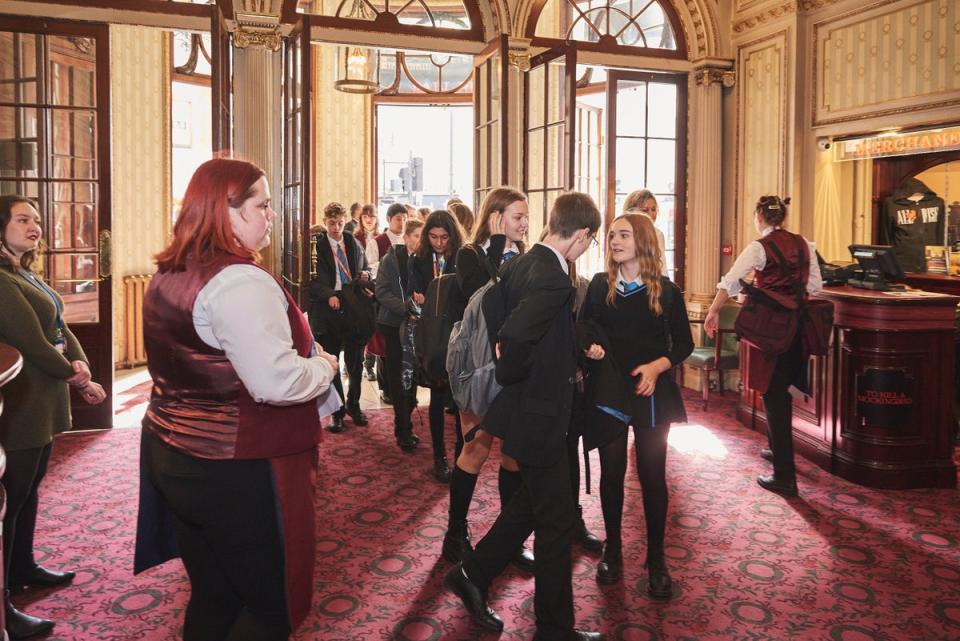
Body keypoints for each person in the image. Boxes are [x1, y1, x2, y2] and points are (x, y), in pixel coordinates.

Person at [135, 158, 339, 641]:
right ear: (225, 212)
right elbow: (275, 382)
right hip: (238, 465)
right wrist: (324, 367)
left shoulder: (170, 273)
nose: (272, 215)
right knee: (271, 606)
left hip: (174, 452)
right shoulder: (240, 281)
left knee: (215, 592)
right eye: (262, 206)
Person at [445, 192, 603, 641]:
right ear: (583, 235)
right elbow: (513, 334)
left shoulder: (521, 262)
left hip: (523, 409)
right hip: (541, 413)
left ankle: (473, 573)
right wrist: (515, 368)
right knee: (553, 521)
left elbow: (502, 319)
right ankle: (554, 628)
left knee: (534, 507)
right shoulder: (555, 278)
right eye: (589, 242)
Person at [0, 195, 107, 640]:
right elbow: (31, 341)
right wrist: (77, 379)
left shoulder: (24, 271)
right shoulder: (1, 280)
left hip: (43, 398)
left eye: (37, 220)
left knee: (30, 489)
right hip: (22, 400)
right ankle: (2, 602)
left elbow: (59, 327)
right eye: (23, 219)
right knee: (11, 499)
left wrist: (82, 365)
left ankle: (23, 566)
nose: (34, 226)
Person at [579, 213, 693, 598]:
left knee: (651, 476)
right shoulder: (598, 286)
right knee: (611, 475)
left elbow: (683, 344)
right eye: (611, 235)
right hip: (610, 391)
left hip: (652, 392)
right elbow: (583, 328)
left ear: (642, 241)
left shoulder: (668, 291)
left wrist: (658, 367)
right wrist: (589, 348)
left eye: (622, 234)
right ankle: (612, 549)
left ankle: (656, 559)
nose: (613, 240)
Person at [444, 187, 537, 569]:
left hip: (512, 366)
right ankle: (455, 532)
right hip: (476, 366)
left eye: (526, 217)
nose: (525, 223)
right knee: (476, 449)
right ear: (496, 217)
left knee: (514, 455)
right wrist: (497, 243)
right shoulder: (470, 254)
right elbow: (482, 294)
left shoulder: (529, 258)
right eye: (517, 217)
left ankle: (507, 538)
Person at [705, 195, 822, 497]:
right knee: (782, 389)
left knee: (773, 395)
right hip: (799, 329)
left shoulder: (760, 247)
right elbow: (815, 288)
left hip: (771, 332)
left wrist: (713, 311)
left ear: (759, 215)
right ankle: (775, 450)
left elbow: (731, 281)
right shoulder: (805, 245)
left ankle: (785, 476)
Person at [409, 210, 465, 482]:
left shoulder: (462, 258)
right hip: (432, 336)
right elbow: (412, 293)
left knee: (462, 401)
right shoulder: (418, 260)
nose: (439, 243)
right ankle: (439, 456)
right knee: (437, 397)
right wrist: (417, 299)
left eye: (444, 237)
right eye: (433, 237)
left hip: (457, 334)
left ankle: (462, 456)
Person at [309, 202, 373, 433]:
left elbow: (364, 267)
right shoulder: (316, 244)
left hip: (352, 305)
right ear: (325, 221)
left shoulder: (352, 241)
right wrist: (328, 295)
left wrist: (366, 274)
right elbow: (310, 280)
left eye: (340, 223)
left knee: (355, 363)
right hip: (328, 311)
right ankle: (337, 412)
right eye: (332, 223)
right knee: (332, 361)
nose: (336, 227)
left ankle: (354, 406)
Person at [374, 218, 424, 452]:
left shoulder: (425, 261)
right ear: (406, 238)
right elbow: (381, 292)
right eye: (416, 236)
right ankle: (401, 429)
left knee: (412, 376)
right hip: (394, 325)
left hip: (417, 326)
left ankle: (408, 423)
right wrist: (405, 307)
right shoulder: (390, 259)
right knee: (397, 377)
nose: (419, 241)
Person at [354, 204, 381, 381]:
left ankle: (371, 364)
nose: (369, 220)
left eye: (372, 216)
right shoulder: (355, 238)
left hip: (378, 285)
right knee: (362, 325)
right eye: (366, 217)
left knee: (376, 325)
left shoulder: (381, 237)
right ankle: (362, 363)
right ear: (361, 219)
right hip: (361, 284)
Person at [623, 189, 668, 277]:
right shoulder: (622, 233)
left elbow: (662, 267)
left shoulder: (658, 235)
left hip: (653, 285)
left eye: (653, 209)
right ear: (632, 212)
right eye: (645, 210)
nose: (650, 214)